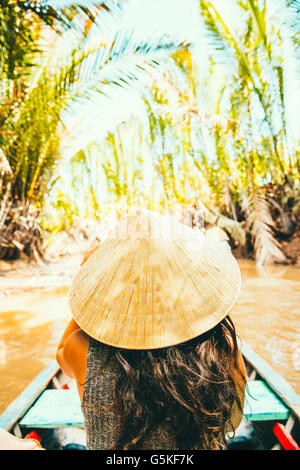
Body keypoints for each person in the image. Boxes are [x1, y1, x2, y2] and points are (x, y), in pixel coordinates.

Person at [57, 210, 247, 450]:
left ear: (108, 283)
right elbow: (232, 422)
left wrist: (88, 278)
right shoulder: (223, 347)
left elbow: (61, 356)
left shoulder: (81, 348)